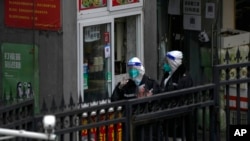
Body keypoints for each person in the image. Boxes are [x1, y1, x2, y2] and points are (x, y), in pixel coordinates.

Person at [160, 50, 193, 141]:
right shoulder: (167, 75)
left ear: (173, 63)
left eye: (167, 62)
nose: (165, 65)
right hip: (167, 116)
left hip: (178, 120)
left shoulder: (184, 77)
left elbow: (183, 97)